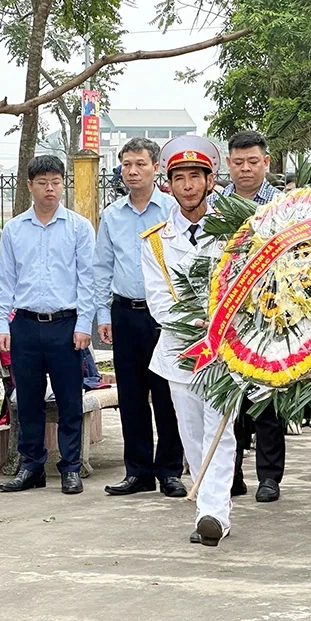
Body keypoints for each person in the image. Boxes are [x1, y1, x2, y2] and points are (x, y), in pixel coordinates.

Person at [142, 135, 235, 546]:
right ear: (169, 184)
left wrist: (220, 324)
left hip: (226, 348)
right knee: (192, 433)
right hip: (181, 349)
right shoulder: (155, 239)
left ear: (210, 180)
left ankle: (215, 512)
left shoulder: (234, 231)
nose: (188, 186)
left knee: (220, 430)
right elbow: (158, 300)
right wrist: (195, 323)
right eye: (179, 178)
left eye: (195, 177)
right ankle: (206, 509)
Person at [0, 155, 96, 495]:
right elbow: (4, 281)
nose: (49, 189)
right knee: (28, 401)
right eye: (42, 183)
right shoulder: (14, 229)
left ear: (63, 184)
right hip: (24, 324)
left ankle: (70, 467)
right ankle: (31, 466)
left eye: (55, 182)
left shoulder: (79, 227)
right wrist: (1, 324)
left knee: (69, 400)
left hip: (66, 325)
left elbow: (88, 280)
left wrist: (84, 324)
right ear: (30, 186)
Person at [94, 138, 184, 498]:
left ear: (156, 168)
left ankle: (170, 471)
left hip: (165, 316)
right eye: (126, 164)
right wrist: (103, 314)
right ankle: (138, 472)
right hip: (125, 313)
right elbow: (102, 267)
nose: (132, 171)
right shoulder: (112, 215)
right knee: (131, 396)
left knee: (166, 395)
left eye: (140, 164)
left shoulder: (173, 210)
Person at [209, 130, 287, 503]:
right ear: (228, 163)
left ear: (266, 163)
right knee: (231, 398)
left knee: (268, 399)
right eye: (238, 162)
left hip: (271, 313)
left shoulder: (284, 206)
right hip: (229, 315)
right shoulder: (216, 205)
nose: (245, 169)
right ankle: (232, 474)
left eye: (253, 161)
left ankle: (269, 477)